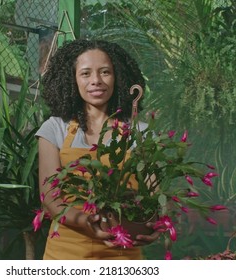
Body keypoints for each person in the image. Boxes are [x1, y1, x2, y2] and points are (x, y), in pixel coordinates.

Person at [35, 39, 160, 260]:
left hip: (123, 254)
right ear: (72, 79)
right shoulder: (55, 128)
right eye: (85, 74)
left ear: (118, 77)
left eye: (105, 72)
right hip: (65, 253)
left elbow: (153, 195)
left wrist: (156, 223)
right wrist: (85, 222)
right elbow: (50, 198)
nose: (96, 81)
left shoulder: (141, 133)